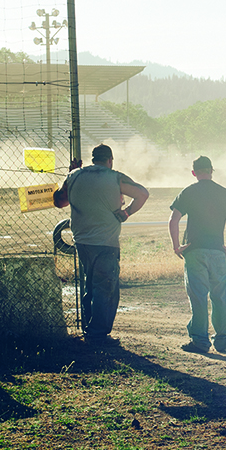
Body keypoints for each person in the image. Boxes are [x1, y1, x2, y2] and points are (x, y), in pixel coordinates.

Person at [53, 144, 148, 343]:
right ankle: (98, 334)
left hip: (82, 241)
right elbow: (142, 193)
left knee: (90, 285)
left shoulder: (75, 176)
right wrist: (126, 212)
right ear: (110, 160)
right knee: (105, 288)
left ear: (93, 159)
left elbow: (60, 201)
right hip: (106, 241)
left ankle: (90, 328)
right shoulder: (115, 177)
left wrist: (71, 175)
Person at [168, 155, 226, 354]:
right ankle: (222, 340)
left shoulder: (188, 192)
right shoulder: (224, 193)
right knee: (219, 297)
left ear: (194, 172)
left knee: (198, 298)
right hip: (218, 252)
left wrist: (177, 246)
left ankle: (200, 340)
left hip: (195, 251)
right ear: (212, 170)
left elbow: (173, 220)